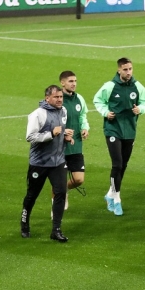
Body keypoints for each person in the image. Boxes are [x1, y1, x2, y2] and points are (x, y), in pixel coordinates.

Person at [94, 58, 145, 215]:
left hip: (130, 130)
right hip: (113, 129)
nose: (128, 72)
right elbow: (98, 100)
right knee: (117, 164)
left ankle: (110, 194)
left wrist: (140, 109)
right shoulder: (110, 86)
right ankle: (117, 199)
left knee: (123, 165)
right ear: (119, 70)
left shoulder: (137, 86)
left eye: (130, 69)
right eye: (125, 69)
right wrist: (106, 112)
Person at [21, 85, 71, 242]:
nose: (60, 100)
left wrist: (66, 136)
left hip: (58, 161)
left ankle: (56, 230)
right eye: (56, 97)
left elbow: (60, 131)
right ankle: (24, 224)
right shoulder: (37, 114)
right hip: (40, 163)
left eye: (61, 97)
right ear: (47, 98)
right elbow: (30, 137)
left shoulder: (63, 111)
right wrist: (50, 134)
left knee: (61, 192)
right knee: (32, 194)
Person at [58, 70, 90, 210]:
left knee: (79, 180)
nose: (74, 84)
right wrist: (62, 132)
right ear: (62, 82)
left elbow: (82, 116)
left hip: (76, 144)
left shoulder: (79, 99)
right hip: (59, 146)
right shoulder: (58, 99)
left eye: (75, 81)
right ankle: (55, 210)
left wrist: (85, 128)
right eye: (71, 81)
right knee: (58, 181)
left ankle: (64, 190)